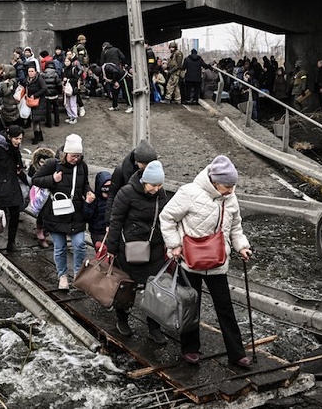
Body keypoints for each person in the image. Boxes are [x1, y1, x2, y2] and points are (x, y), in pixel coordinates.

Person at [159, 155, 254, 368]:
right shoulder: (188, 193)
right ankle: (190, 348)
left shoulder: (231, 198)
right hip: (190, 261)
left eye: (232, 185)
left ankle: (237, 354)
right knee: (190, 306)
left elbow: (235, 228)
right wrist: (174, 245)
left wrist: (242, 246)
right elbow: (166, 218)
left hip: (218, 262)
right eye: (226, 185)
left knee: (225, 308)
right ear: (214, 181)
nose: (230, 190)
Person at [105, 161, 169, 344]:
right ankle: (123, 320)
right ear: (144, 182)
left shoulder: (161, 195)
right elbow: (115, 220)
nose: (157, 189)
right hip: (129, 249)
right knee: (126, 287)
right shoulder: (126, 193)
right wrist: (111, 248)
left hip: (154, 248)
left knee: (155, 289)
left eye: (160, 185)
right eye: (153, 185)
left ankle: (154, 328)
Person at [31, 134, 95, 289]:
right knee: (60, 248)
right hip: (56, 213)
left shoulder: (82, 166)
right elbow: (35, 180)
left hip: (75, 212)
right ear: (66, 153)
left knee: (79, 244)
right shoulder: (53, 164)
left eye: (79, 156)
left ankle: (78, 275)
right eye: (73, 156)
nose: (76, 159)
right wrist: (53, 179)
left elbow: (84, 183)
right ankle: (63, 276)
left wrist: (88, 192)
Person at [106, 139, 158, 220]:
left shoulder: (153, 171)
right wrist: (109, 221)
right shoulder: (121, 171)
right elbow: (112, 196)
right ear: (138, 162)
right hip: (126, 215)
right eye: (145, 165)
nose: (148, 168)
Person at [85, 171, 112, 245]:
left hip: (110, 231)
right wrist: (87, 203)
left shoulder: (114, 199)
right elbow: (86, 216)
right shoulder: (94, 199)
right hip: (97, 232)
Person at [24, 65, 48, 144]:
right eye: (29, 71)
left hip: (39, 102)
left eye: (32, 71)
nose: (30, 73)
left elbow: (44, 89)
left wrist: (35, 95)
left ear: (35, 72)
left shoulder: (39, 79)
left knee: (36, 120)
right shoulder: (27, 80)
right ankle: (39, 136)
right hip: (32, 101)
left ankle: (37, 137)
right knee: (35, 119)